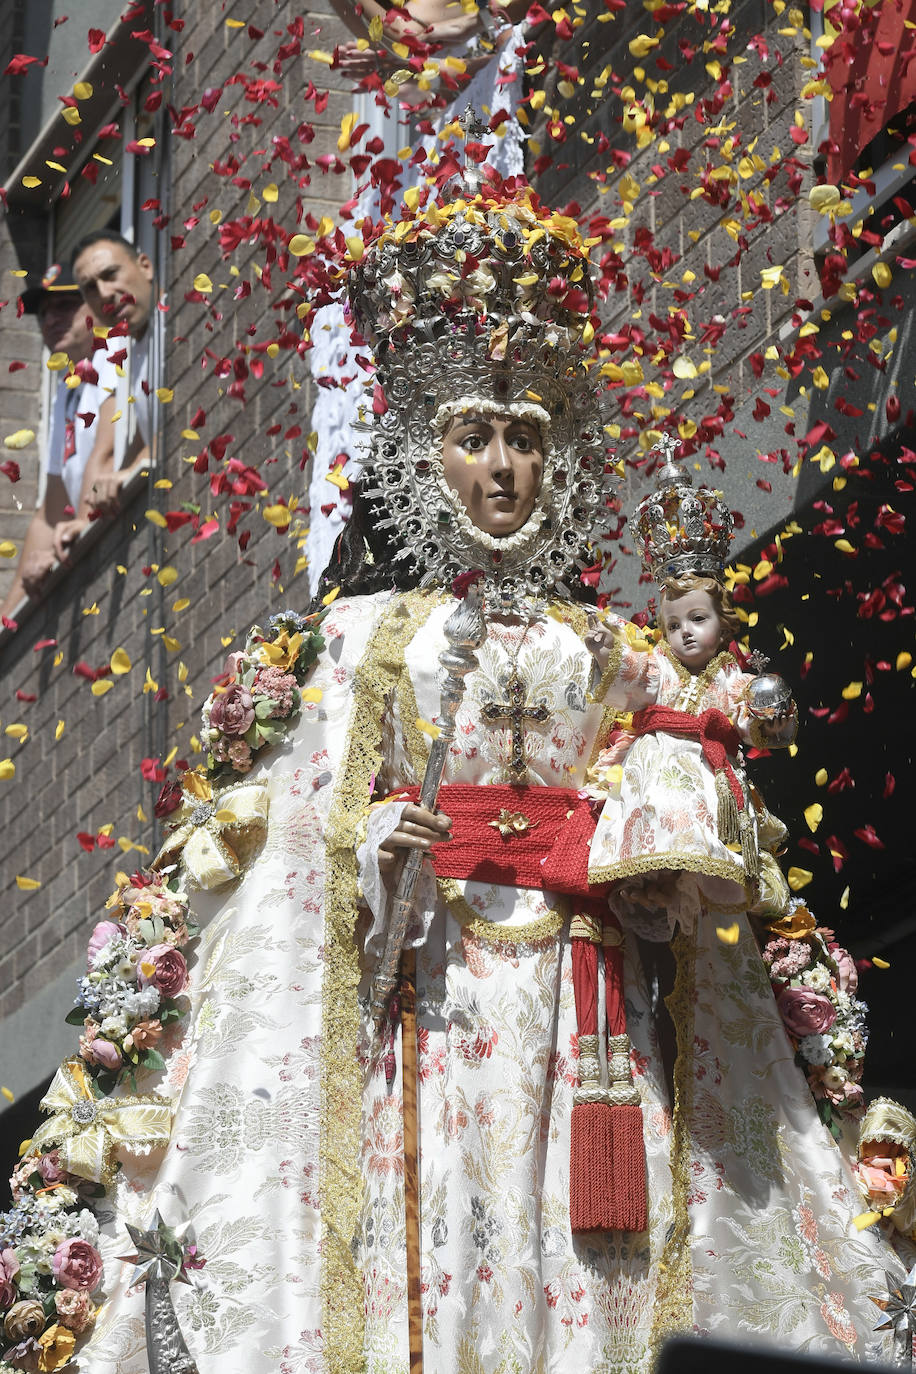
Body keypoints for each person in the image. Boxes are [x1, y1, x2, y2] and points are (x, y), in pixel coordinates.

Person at [2, 172, 909, 1374]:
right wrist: (369, 853)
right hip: (428, 997)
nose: (500, 468)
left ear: (558, 460)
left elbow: (693, 791)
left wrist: (653, 862)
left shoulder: (618, 653)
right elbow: (296, 840)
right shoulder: (363, 637)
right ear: (426, 457)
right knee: (427, 1245)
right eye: (473, 436)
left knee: (588, 1262)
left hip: (588, 1015)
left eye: (525, 439)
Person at [582, 448, 798, 941]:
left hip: (712, 774)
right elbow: (635, 677)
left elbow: (754, 721)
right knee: (665, 812)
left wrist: (771, 713)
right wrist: (605, 652)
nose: (685, 633)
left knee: (714, 845)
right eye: (673, 624)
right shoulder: (661, 667)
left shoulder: (733, 680)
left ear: (724, 623)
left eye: (698, 619)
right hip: (661, 774)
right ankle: (655, 880)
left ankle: (703, 878)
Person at [0, 270, 120, 621]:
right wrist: (7, 620)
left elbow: (110, 453)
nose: (51, 319)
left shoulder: (115, 351)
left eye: (66, 306)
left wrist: (83, 522)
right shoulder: (66, 391)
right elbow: (51, 513)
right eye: (44, 312)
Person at [68, 229, 157, 539]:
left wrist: (131, 470)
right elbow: (142, 440)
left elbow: (187, 418)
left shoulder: (178, 321)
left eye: (110, 274)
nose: (104, 293)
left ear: (145, 266)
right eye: (90, 288)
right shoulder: (130, 348)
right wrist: (88, 517)